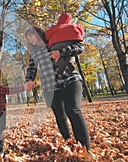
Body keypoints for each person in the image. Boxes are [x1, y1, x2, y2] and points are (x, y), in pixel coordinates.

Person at [25, 25, 92, 154]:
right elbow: (31, 69)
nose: (30, 39)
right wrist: (29, 80)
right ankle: (69, 143)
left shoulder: (56, 42)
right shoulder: (35, 53)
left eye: (31, 35)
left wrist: (61, 52)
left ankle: (85, 149)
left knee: (73, 110)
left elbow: (79, 47)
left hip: (70, 79)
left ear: (39, 33)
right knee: (60, 116)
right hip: (51, 88)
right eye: (28, 37)